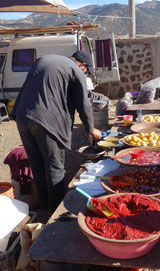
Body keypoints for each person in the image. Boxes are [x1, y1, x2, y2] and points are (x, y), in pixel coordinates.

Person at [12, 50, 101, 210]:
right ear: (83, 65)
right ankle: (56, 211)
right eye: (86, 71)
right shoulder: (75, 70)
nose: (84, 73)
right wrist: (91, 129)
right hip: (45, 121)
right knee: (54, 166)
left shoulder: (43, 60)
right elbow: (83, 104)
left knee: (37, 164)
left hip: (22, 117)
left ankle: (46, 207)